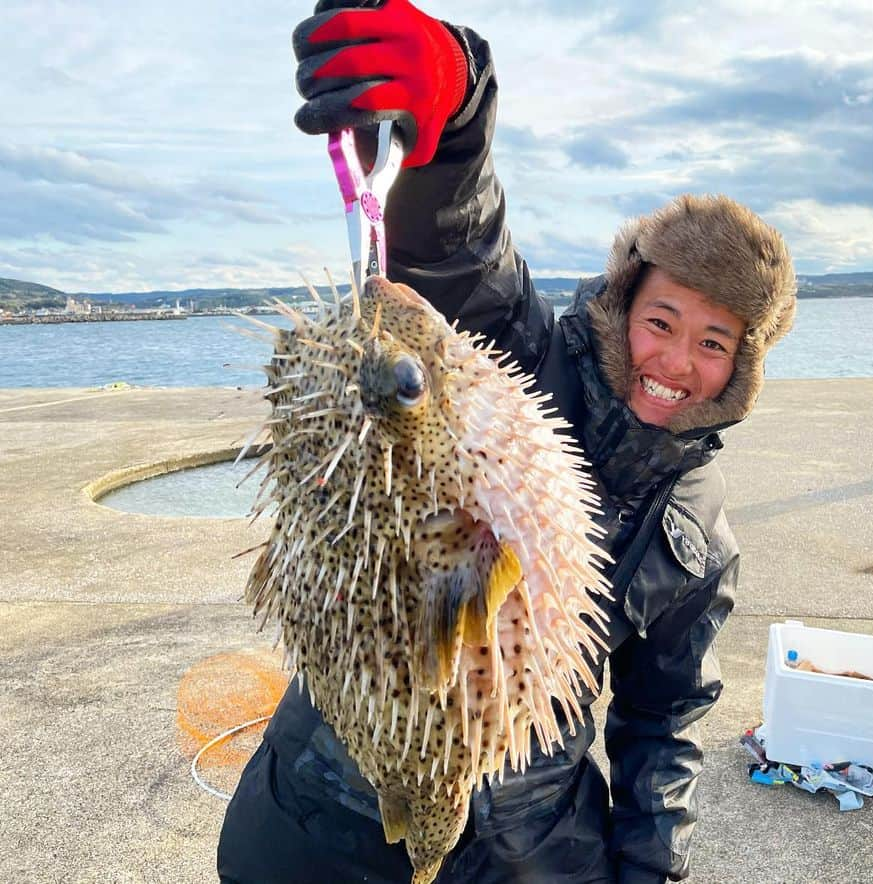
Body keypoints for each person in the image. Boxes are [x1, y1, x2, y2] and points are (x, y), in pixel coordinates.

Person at [218, 1, 796, 882]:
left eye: (713, 344)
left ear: (743, 368)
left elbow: (663, 720)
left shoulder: (701, 535)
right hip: (326, 807)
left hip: (533, 843)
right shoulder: (524, 362)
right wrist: (454, 110)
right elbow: (459, 251)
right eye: (661, 320)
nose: (673, 361)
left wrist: (652, 871)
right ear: (622, 311)